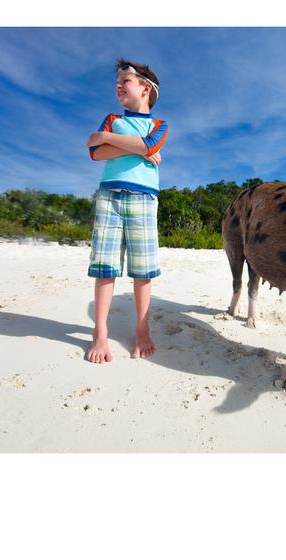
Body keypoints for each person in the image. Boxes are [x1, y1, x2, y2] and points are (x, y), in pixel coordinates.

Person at [85, 58, 168, 363]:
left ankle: (142, 331)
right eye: (117, 82)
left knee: (142, 271)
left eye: (125, 81)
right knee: (105, 266)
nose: (118, 86)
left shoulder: (159, 125)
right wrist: (136, 147)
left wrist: (140, 146)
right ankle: (100, 333)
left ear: (146, 88)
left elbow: (151, 143)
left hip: (144, 199)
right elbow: (94, 149)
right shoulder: (111, 119)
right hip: (109, 196)